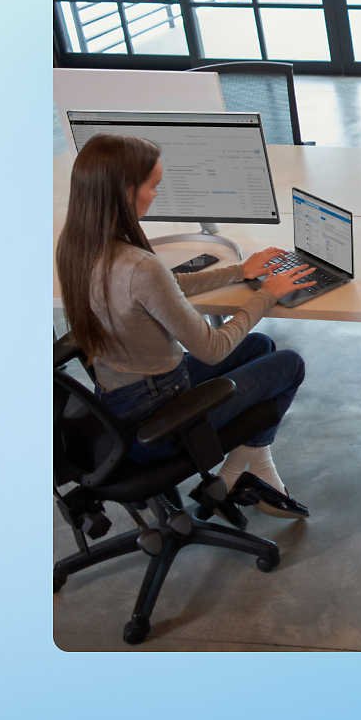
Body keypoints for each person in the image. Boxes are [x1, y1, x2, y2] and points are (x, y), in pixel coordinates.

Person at [55, 132, 318, 518]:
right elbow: (211, 348)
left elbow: (165, 287)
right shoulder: (137, 265)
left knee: (259, 348)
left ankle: (251, 471)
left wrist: (239, 272)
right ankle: (231, 477)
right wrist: (267, 294)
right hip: (159, 425)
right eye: (153, 186)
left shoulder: (77, 245)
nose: (156, 194)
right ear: (126, 192)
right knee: (289, 364)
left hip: (118, 405)